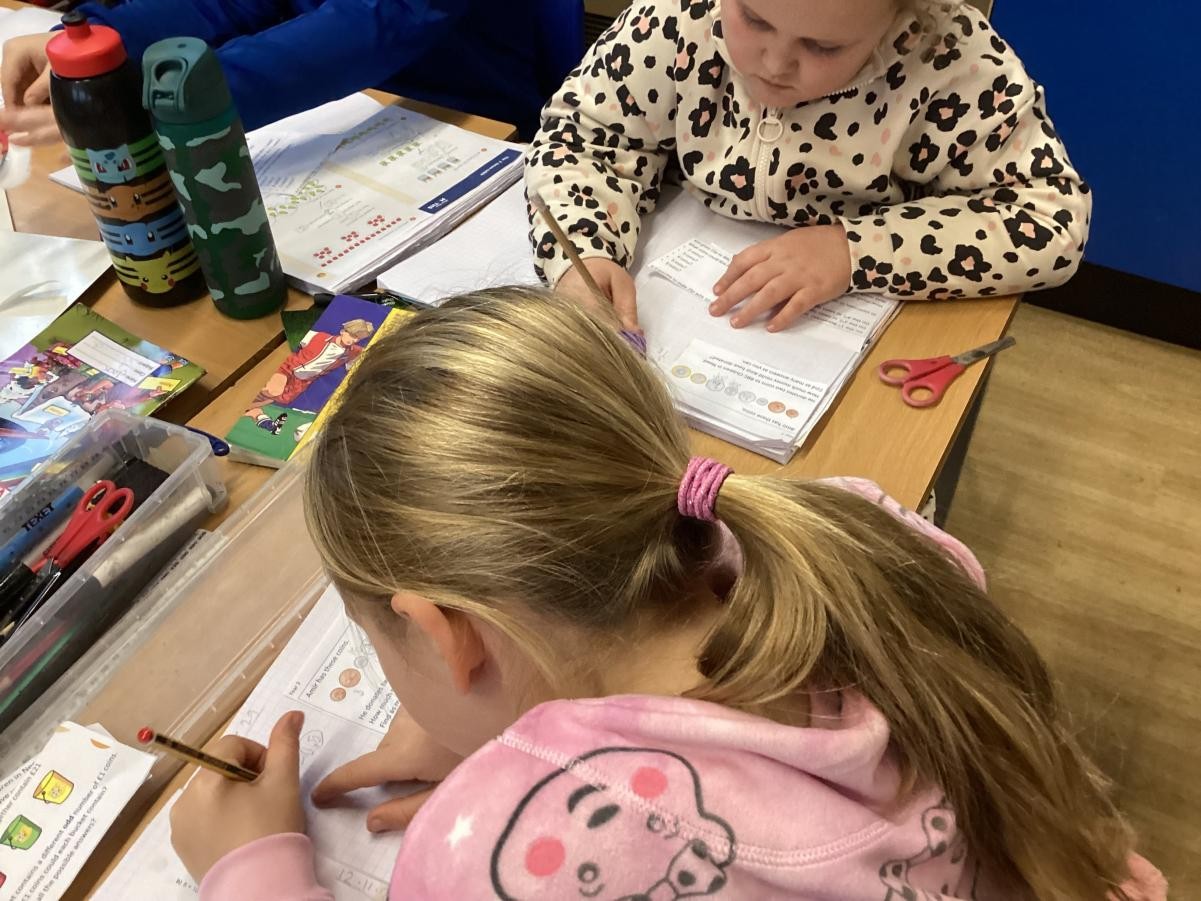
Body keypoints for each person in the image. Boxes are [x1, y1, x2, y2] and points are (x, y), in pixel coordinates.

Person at [167, 288, 1164, 899]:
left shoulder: (500, 855)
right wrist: (503, 722)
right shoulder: (859, 536)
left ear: (443, 632)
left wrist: (250, 870)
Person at [526, 0, 1091, 334]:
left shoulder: (953, 61)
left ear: (900, 21)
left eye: (823, 47)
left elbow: (1051, 220)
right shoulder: (676, 18)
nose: (774, 64)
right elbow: (581, 137)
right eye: (753, 18)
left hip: (862, 328)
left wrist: (853, 251)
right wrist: (584, 251)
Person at [0, 0, 583, 143]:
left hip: (471, 125)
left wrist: (175, 95)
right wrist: (93, 42)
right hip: (326, 116)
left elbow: (381, 20)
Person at [242, 317, 373, 421]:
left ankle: (249, 410)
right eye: (351, 335)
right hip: (289, 368)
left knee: (279, 398)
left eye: (357, 338)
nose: (353, 340)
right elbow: (295, 341)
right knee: (273, 390)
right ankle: (249, 405)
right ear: (343, 331)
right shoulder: (318, 336)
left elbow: (358, 362)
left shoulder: (353, 352)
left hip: (303, 380)